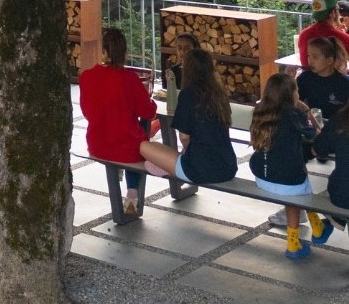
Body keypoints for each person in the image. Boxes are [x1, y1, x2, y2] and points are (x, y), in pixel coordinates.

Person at [249, 74, 330, 258]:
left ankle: (316, 225)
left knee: (293, 169)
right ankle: (294, 244)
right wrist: (306, 110)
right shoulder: (293, 114)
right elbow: (316, 134)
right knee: (296, 184)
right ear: (291, 94)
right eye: (297, 91)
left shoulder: (260, 110)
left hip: (262, 177)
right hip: (286, 182)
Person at [80, 29, 157, 216]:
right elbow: (147, 112)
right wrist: (151, 100)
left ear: (103, 51)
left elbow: (87, 112)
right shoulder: (130, 79)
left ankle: (123, 180)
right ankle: (132, 194)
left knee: (133, 141)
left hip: (97, 143)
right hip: (125, 147)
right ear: (124, 52)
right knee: (140, 144)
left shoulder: (87, 76)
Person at [139, 49, 237, 185]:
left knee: (144, 146)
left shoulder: (188, 94)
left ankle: (170, 168)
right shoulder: (219, 94)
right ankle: (171, 166)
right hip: (228, 167)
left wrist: (186, 152)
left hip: (198, 169)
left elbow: (184, 137)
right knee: (164, 153)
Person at [297, 37, 349, 161]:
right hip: (312, 128)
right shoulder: (305, 78)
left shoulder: (344, 83)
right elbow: (292, 100)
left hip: (337, 131)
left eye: (315, 57)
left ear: (329, 60)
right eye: (309, 56)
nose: (310, 61)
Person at [297, 0, 349, 68]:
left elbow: (304, 63)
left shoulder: (303, 34)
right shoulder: (340, 37)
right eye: (338, 10)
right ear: (333, 13)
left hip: (309, 77)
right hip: (334, 79)